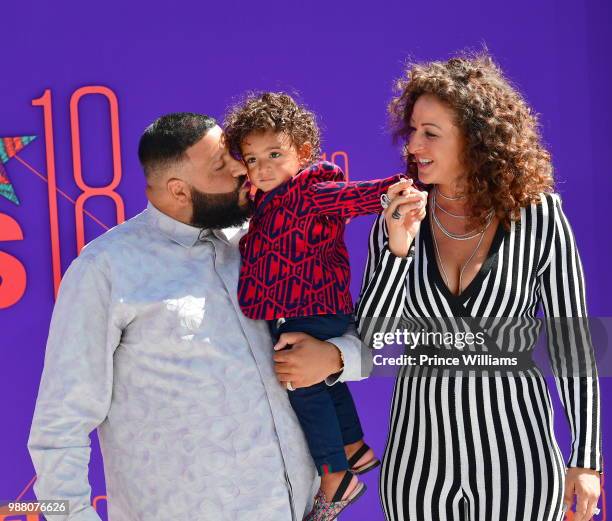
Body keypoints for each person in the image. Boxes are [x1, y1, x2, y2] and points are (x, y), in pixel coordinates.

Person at [27, 112, 367, 521]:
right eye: (221, 166)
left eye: (235, 156)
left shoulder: (267, 237)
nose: (244, 169)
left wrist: (337, 358)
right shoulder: (106, 269)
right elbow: (59, 425)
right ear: (179, 190)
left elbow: (364, 345)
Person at [356, 54, 602, 521]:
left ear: (475, 138)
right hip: (417, 459)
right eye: (411, 131)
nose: (413, 145)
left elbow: (573, 342)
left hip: (519, 455)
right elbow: (373, 338)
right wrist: (398, 249)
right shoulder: (395, 216)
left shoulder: (539, 216)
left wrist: (586, 457)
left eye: (431, 133)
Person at [223, 92, 399, 519]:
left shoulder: (308, 191)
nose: (262, 167)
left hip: (309, 306)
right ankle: (354, 447)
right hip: (307, 306)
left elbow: (352, 197)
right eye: (252, 158)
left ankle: (335, 473)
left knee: (300, 384)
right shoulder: (267, 196)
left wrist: (398, 191)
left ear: (303, 153)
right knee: (324, 382)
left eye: (274, 154)